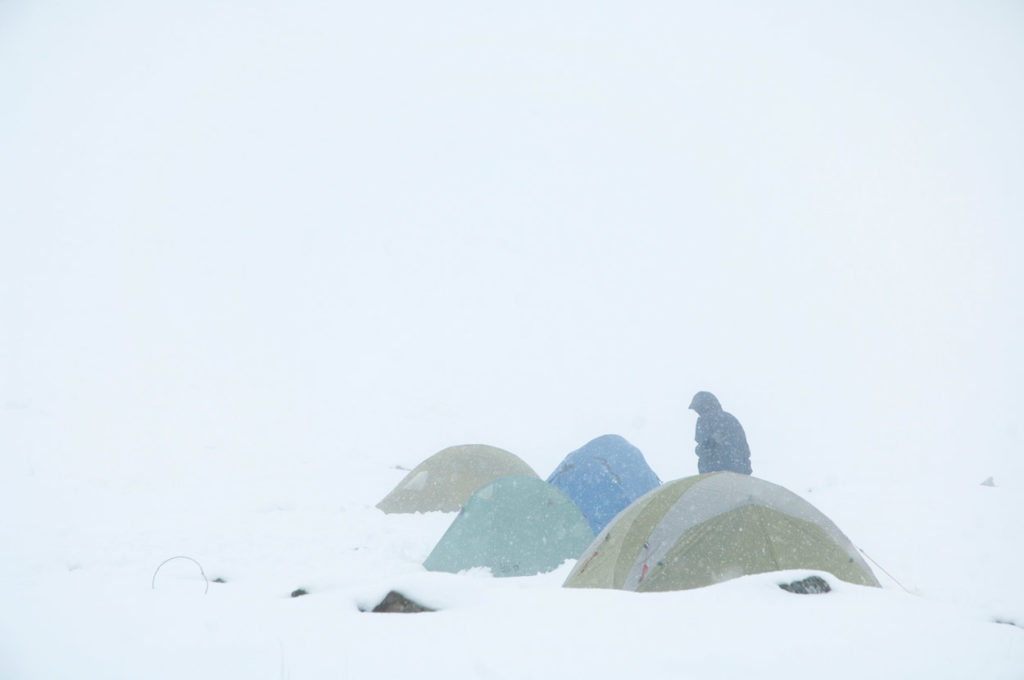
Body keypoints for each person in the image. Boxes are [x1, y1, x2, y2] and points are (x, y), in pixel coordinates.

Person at [688, 391, 752, 474]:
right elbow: (745, 450)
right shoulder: (732, 420)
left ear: (702, 407)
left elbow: (704, 448)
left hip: (713, 473)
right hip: (738, 474)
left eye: (697, 409)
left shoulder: (704, 420)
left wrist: (698, 449)